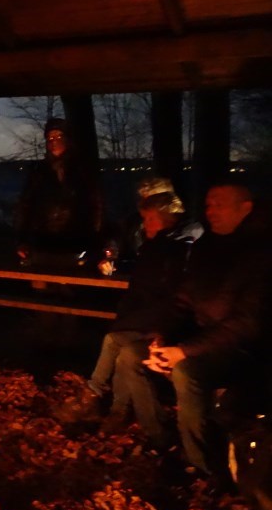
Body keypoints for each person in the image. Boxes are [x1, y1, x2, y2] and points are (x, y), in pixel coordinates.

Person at [115, 182, 269, 481]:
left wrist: (183, 351)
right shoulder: (206, 246)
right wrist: (162, 335)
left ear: (245, 208)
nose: (211, 211)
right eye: (208, 204)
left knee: (187, 371)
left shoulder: (261, 253)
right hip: (198, 338)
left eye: (219, 204)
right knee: (132, 354)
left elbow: (248, 324)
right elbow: (183, 302)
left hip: (244, 351)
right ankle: (161, 440)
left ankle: (202, 467)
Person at [79, 186, 200, 428]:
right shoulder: (156, 245)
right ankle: (104, 402)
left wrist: (143, 322)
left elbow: (168, 297)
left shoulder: (180, 248)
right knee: (115, 339)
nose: (146, 225)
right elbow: (142, 283)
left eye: (150, 219)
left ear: (167, 218)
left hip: (162, 325)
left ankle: (103, 401)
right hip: (146, 318)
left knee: (123, 347)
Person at [15, 118, 103, 269]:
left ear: (67, 139)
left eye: (58, 137)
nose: (54, 141)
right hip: (43, 242)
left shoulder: (81, 169)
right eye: (50, 138)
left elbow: (95, 204)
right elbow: (25, 204)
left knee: (72, 282)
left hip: (75, 241)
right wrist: (22, 239)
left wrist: (94, 236)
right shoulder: (39, 172)